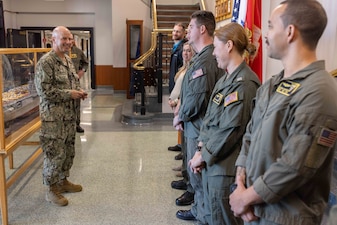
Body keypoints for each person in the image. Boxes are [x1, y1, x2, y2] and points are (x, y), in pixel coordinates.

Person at [229, 1, 337, 224]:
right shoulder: (271, 85)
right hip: (256, 211)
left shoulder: (319, 90)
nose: (263, 35)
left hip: (286, 217)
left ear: (290, 32)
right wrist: (240, 183)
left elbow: (295, 166)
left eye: (269, 26)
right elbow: (250, 135)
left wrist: (244, 198)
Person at [189, 22, 261, 225]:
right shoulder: (225, 79)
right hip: (212, 162)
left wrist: (203, 156)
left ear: (229, 46)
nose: (213, 54)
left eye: (216, 47)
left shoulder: (245, 84)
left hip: (225, 169)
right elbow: (210, 118)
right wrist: (200, 148)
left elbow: (230, 131)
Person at [174, 10, 223, 224]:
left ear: (202, 29)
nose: (187, 30)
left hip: (200, 125)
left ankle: (202, 213)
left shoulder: (207, 59)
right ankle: (199, 208)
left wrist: (180, 116)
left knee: (199, 175)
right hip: (195, 125)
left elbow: (198, 97)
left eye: (191, 27)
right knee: (195, 173)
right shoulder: (201, 56)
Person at [35, 26, 88, 206]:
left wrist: (78, 92)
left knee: (68, 151)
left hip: (69, 117)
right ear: (53, 40)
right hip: (54, 120)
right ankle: (51, 189)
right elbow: (44, 91)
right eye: (63, 39)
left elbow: (70, 84)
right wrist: (69, 94)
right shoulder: (46, 62)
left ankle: (63, 181)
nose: (67, 42)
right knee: (54, 154)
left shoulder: (67, 60)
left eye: (70, 39)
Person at [168, 42, 195, 206]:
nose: (185, 53)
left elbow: (188, 93)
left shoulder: (194, 68)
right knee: (185, 145)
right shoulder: (183, 68)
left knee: (189, 147)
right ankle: (185, 173)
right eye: (184, 51)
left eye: (188, 51)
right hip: (178, 107)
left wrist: (177, 102)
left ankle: (189, 183)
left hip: (184, 110)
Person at [167, 22, 187, 153]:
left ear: (184, 33)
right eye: (174, 31)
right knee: (177, 117)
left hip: (179, 90)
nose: (175, 33)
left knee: (180, 118)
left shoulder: (182, 50)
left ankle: (183, 148)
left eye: (178, 31)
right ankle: (180, 144)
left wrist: (177, 95)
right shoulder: (175, 48)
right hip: (174, 88)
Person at [69, 33, 89, 133]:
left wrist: (82, 71)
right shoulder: (60, 53)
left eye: (70, 39)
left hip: (75, 82)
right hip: (63, 83)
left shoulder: (77, 51)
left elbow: (86, 63)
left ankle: (77, 124)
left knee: (77, 103)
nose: (69, 42)